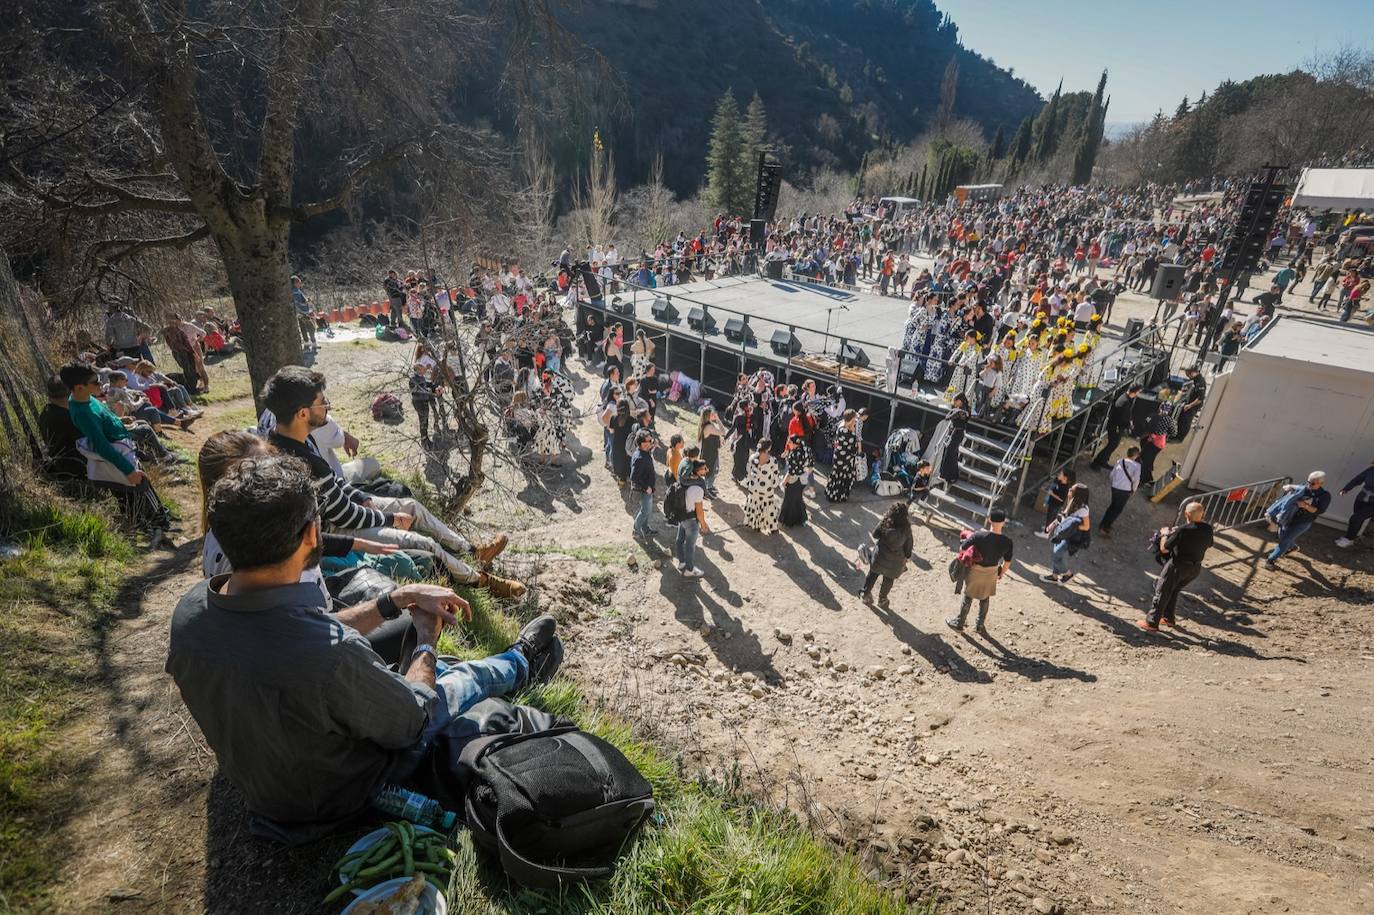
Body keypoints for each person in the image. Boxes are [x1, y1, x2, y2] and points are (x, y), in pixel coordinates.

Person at [165, 452, 564, 840]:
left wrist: (395, 600)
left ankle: (476, 662)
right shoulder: (328, 655)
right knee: (453, 678)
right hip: (338, 798)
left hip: (268, 780)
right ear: (311, 533)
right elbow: (414, 717)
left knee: (418, 667)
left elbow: (298, 631)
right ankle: (521, 661)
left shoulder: (192, 611)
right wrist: (426, 638)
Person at [261, 366, 522, 597]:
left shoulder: (298, 438)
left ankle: (470, 550)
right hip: (335, 531)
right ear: (303, 413)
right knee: (424, 544)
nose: (327, 406)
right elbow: (344, 517)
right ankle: (480, 581)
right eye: (321, 402)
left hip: (344, 515)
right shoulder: (298, 460)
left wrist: (363, 498)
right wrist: (389, 519)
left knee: (410, 506)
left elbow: (338, 486)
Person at [58, 362, 174, 535]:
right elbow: (102, 446)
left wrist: (120, 421)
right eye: (95, 382)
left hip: (122, 450)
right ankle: (159, 524)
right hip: (117, 459)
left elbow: (104, 415)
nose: (100, 384)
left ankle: (152, 523)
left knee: (132, 494)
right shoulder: (83, 413)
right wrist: (128, 471)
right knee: (139, 488)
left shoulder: (86, 398)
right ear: (79, 387)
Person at [1138, 501, 1215, 631]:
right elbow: (1210, 544)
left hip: (1177, 567)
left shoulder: (1183, 530)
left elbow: (1164, 549)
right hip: (1194, 569)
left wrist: (1164, 534)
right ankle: (1168, 618)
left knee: (1162, 592)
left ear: (1186, 514)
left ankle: (1151, 623)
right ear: (1203, 514)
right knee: (1173, 590)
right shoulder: (1208, 529)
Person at [945, 509, 1014, 633]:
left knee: (968, 596)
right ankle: (980, 626)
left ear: (989, 520)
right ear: (1003, 522)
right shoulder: (1007, 542)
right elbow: (1007, 562)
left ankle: (959, 623)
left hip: (975, 571)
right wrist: (1001, 573)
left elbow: (962, 547)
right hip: (992, 572)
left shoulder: (979, 535)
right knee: (985, 598)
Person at [1264, 471, 1331, 570]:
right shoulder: (1305, 487)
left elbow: (1319, 511)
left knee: (1285, 540)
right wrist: (1290, 486)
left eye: (1312, 483)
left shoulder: (1324, 496)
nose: (1309, 484)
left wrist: (1305, 506)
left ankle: (1270, 560)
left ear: (1321, 484)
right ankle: (1293, 547)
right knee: (1282, 536)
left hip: (1303, 522)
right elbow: (1299, 487)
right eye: (1308, 481)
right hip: (1288, 517)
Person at [859, 501, 913, 609]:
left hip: (879, 557)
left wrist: (883, 521)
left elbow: (875, 535)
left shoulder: (885, 523)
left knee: (872, 575)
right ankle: (882, 599)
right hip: (895, 564)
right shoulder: (907, 530)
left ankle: (865, 594)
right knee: (888, 580)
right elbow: (908, 550)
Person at [1040, 482, 1090, 584]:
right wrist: (1052, 526)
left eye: (1072, 490)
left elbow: (1086, 526)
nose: (1069, 490)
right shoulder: (1071, 501)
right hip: (1062, 532)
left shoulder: (1083, 509)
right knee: (1057, 555)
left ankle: (1068, 574)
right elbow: (1063, 516)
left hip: (1069, 537)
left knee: (1055, 555)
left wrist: (1073, 527)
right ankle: (1054, 576)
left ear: (1078, 494)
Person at [1090, 384, 1141, 470]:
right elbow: (1122, 418)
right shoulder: (1125, 402)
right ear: (1135, 392)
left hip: (1115, 425)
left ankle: (1103, 461)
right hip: (1116, 426)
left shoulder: (1124, 397)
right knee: (1112, 445)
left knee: (1112, 445)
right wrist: (1129, 425)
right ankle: (1097, 462)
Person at [675, 459, 710, 579]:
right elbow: (699, 512)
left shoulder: (683, 482)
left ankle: (681, 563)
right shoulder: (698, 489)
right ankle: (689, 570)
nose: (707, 470)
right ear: (698, 471)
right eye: (705, 468)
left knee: (680, 540)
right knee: (690, 546)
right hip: (691, 520)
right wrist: (704, 525)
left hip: (681, 516)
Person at [1098, 446, 1142, 538]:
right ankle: (1104, 527)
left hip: (1115, 487)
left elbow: (1112, 475)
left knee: (1112, 506)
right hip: (1125, 490)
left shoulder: (1120, 461)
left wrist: (1114, 483)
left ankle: (1104, 523)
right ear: (1136, 455)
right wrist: (1134, 489)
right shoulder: (1137, 466)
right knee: (1117, 509)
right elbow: (1136, 480)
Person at [743, 439, 782, 535]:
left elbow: (748, 472)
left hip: (754, 488)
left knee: (755, 505)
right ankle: (772, 527)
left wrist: (751, 483)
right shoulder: (773, 461)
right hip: (767, 489)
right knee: (769, 507)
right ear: (768, 448)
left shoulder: (752, 457)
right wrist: (774, 485)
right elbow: (776, 478)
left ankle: (755, 525)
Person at [1335, 459, 1374, 548]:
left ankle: (1349, 539)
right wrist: (1346, 489)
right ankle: (1349, 538)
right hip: (1361, 499)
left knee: (1355, 518)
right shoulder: (1370, 470)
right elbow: (1357, 480)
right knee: (1357, 519)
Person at [825, 409, 862, 503]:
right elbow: (853, 443)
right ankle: (836, 495)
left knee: (839, 474)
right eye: (854, 419)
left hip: (843, 456)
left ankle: (836, 493)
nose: (855, 421)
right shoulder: (844, 430)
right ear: (851, 419)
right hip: (844, 457)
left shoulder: (843, 426)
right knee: (840, 475)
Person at [778, 434, 811, 527]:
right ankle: (801, 520)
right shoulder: (804, 450)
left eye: (789, 442)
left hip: (793, 481)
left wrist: (784, 482)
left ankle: (786, 521)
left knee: (788, 500)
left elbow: (791, 472)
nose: (788, 444)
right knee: (798, 499)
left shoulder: (793, 454)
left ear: (794, 443)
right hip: (802, 480)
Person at [630, 430, 657, 539]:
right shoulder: (640, 458)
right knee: (645, 511)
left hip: (647, 489)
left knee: (647, 510)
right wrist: (647, 488)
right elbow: (634, 476)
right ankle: (636, 530)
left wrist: (652, 447)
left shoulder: (643, 452)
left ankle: (645, 529)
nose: (651, 442)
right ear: (642, 443)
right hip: (644, 490)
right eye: (649, 440)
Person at [940, 394, 970, 485]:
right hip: (953, 432)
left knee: (951, 453)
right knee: (951, 452)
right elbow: (947, 417)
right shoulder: (959, 409)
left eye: (955, 401)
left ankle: (950, 475)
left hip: (958, 433)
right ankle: (949, 474)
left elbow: (951, 417)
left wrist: (955, 411)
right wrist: (954, 410)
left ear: (960, 401)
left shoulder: (964, 410)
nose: (954, 403)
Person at [408, 362, 440, 446]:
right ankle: (424, 441)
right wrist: (428, 391)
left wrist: (435, 387)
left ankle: (425, 439)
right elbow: (417, 390)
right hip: (419, 402)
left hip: (424, 401)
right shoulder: (413, 379)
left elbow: (428, 385)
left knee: (425, 421)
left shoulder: (422, 377)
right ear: (418, 370)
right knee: (423, 422)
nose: (424, 370)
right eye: (422, 369)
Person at [1037, 468, 1075, 537]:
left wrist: (1052, 493)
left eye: (1061, 474)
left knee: (1050, 517)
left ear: (1065, 477)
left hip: (1055, 505)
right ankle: (1048, 529)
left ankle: (1046, 533)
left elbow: (1061, 499)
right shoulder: (1060, 482)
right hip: (1054, 503)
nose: (1059, 474)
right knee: (1052, 517)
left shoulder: (1065, 488)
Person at [698, 405, 724, 497]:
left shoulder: (709, 424)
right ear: (708, 415)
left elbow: (715, 436)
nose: (714, 414)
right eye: (712, 413)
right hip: (709, 454)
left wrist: (719, 442)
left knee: (714, 470)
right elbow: (723, 431)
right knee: (709, 472)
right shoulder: (709, 426)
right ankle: (706, 490)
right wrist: (718, 419)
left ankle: (709, 487)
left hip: (712, 451)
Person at [291, 274, 317, 351]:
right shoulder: (296, 292)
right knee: (311, 328)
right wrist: (307, 301)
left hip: (299, 313)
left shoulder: (295, 290)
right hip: (303, 312)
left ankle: (306, 343)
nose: (300, 283)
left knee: (303, 328)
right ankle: (313, 343)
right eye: (298, 282)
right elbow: (299, 303)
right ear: (295, 283)